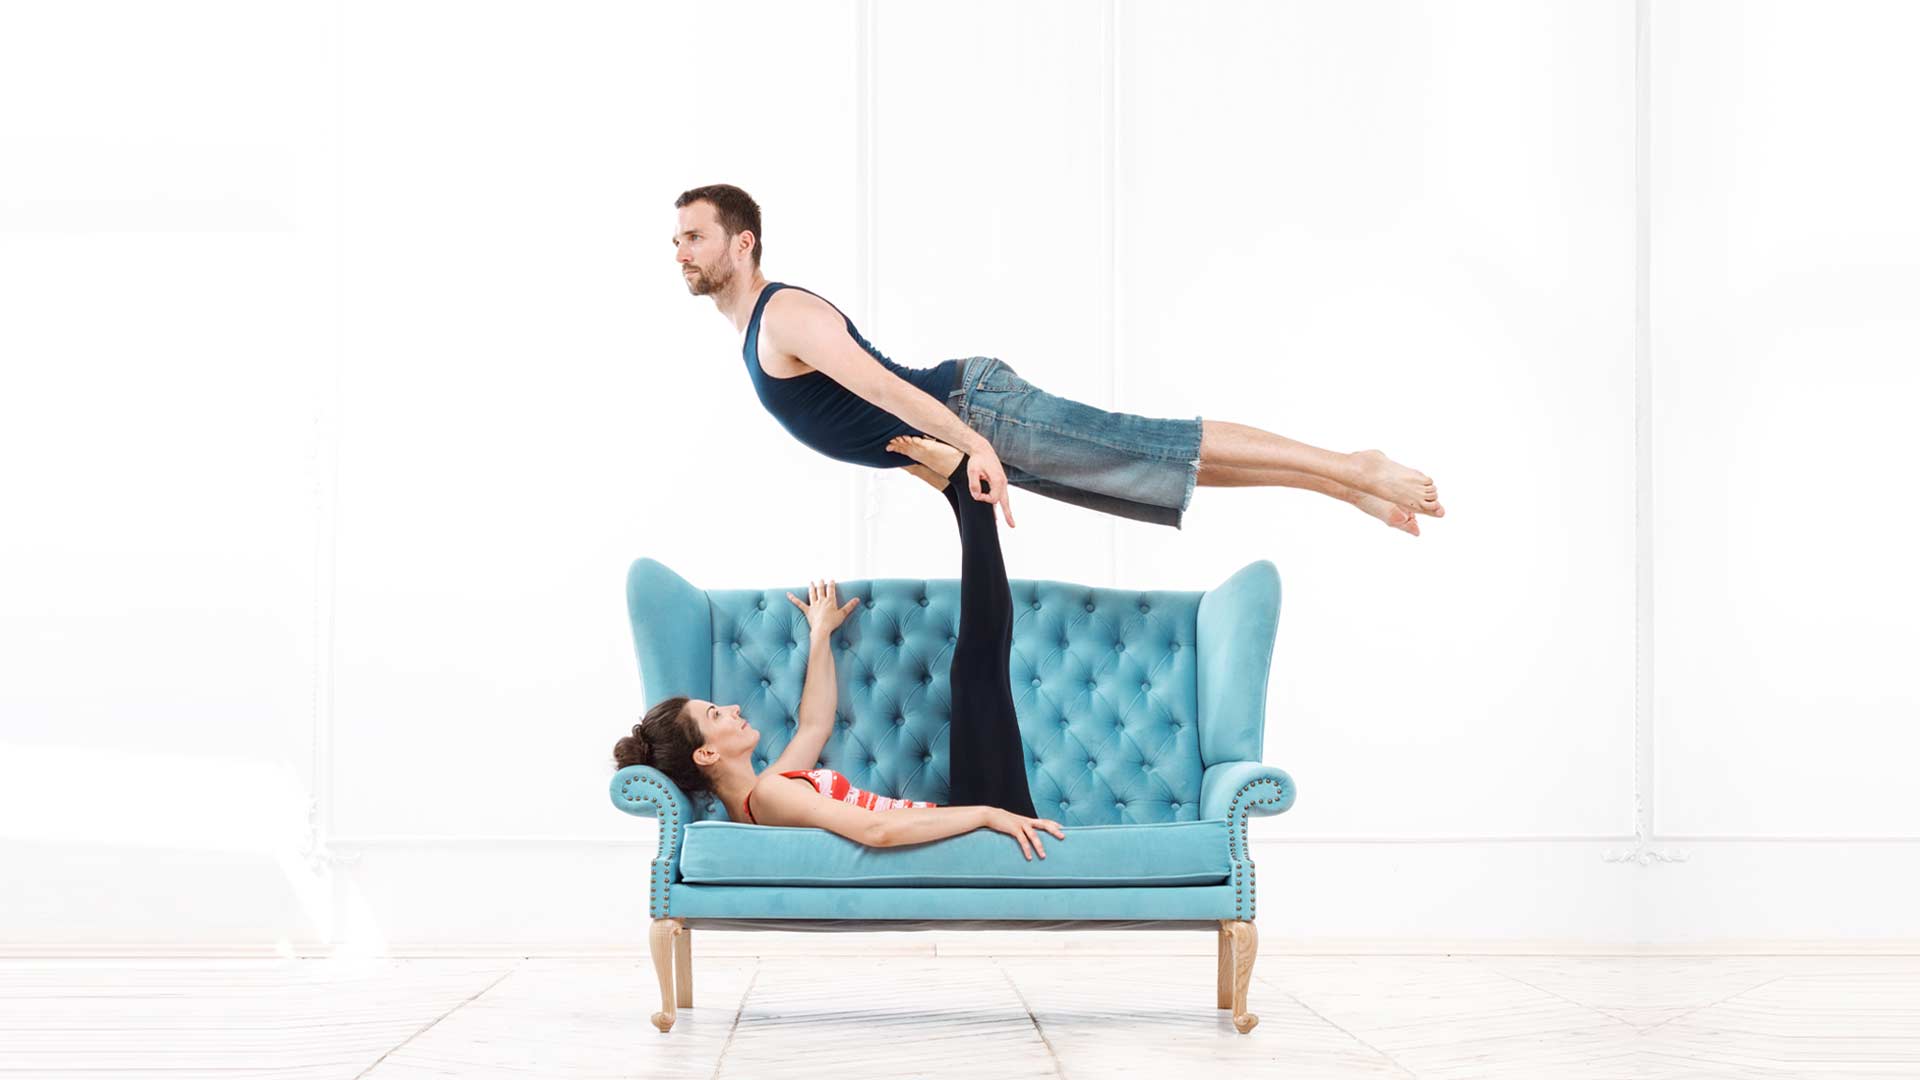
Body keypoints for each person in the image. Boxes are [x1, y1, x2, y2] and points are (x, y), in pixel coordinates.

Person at [672, 183, 1446, 534]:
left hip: (978, 412)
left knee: (1158, 444)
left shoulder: (783, 316)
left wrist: (970, 445)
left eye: (695, 236)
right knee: (1163, 470)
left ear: (742, 242)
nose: (681, 252)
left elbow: (882, 387)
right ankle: (1348, 487)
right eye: (675, 240)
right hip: (969, 434)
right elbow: (871, 423)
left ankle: (1354, 463)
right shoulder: (753, 335)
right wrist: (944, 473)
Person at [612, 434, 1065, 861]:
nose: (730, 708)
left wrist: (819, 634)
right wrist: (989, 815)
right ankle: (965, 489)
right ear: (706, 754)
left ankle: (959, 491)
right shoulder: (769, 795)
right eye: (715, 716)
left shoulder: (762, 795)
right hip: (972, 832)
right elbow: (875, 831)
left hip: (963, 826)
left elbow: (813, 725)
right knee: (978, 669)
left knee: (976, 670)